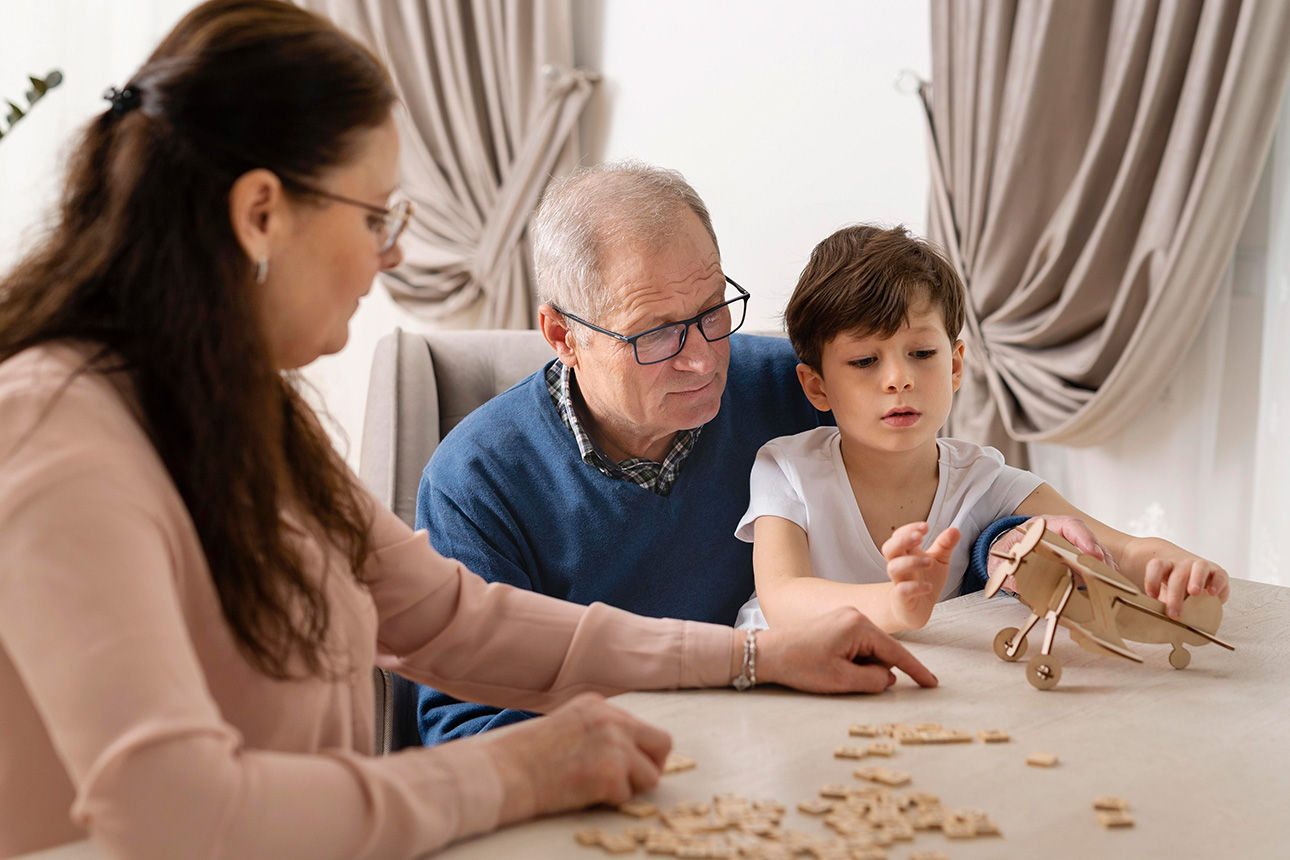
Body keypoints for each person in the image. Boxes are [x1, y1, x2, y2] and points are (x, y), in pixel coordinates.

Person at [0, 5, 939, 858]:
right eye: (377, 215)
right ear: (259, 215)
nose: (398, 251)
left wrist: (755, 656)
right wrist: (520, 770)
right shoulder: (54, 428)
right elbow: (173, 811)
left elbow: (448, 618)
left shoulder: (243, 410)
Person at [413, 162, 850, 743]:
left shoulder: (800, 389)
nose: (702, 359)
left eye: (712, 310)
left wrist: (996, 541)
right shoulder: (474, 482)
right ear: (564, 336)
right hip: (608, 783)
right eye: (655, 332)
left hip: (804, 741)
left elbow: (938, 494)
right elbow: (468, 729)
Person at [733, 224, 1232, 634]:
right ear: (817, 387)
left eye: (922, 354)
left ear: (954, 366)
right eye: (865, 360)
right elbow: (784, 597)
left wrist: (1173, 565)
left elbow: (1117, 549)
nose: (899, 379)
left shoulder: (984, 479)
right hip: (779, 684)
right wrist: (896, 605)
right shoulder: (788, 467)